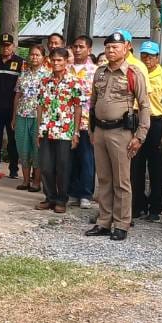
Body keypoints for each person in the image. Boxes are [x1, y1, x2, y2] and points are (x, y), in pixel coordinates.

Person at [85, 32, 150, 241]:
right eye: (108, 47)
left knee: (122, 180)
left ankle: (122, 223)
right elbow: (93, 103)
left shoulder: (133, 72)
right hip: (100, 130)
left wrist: (140, 135)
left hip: (121, 132)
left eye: (115, 47)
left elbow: (144, 105)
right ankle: (104, 221)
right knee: (104, 178)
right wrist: (91, 130)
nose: (111, 51)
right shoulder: (100, 72)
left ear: (126, 48)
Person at [34, 47, 85, 212]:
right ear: (49, 61)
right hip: (46, 129)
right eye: (54, 60)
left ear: (66, 61)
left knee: (63, 166)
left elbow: (78, 107)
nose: (56, 63)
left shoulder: (74, 82)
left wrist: (76, 132)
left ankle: (62, 200)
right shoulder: (44, 81)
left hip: (65, 131)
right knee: (46, 166)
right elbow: (40, 106)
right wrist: (38, 129)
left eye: (59, 60)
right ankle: (49, 197)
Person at [131, 41, 162, 221]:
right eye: (144, 56)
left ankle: (155, 207)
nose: (147, 59)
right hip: (138, 120)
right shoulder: (136, 73)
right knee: (136, 165)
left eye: (150, 56)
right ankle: (137, 205)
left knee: (156, 167)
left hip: (157, 122)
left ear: (157, 57)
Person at [0, 33, 24, 180]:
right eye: (2, 45)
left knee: (13, 140)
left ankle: (13, 169)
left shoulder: (20, 63)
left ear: (13, 46)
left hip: (13, 109)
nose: (5, 48)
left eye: (8, 45)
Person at [13, 44, 48, 192]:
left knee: (37, 150)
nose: (34, 57)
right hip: (22, 115)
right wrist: (14, 117)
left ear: (43, 58)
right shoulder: (23, 74)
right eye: (32, 54)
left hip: (38, 118)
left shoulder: (47, 75)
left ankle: (36, 182)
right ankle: (25, 181)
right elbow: (17, 95)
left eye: (37, 55)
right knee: (23, 148)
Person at [68, 35, 97, 211]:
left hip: (87, 121)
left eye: (81, 47)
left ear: (89, 50)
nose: (77, 50)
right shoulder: (66, 69)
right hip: (66, 122)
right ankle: (72, 192)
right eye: (75, 46)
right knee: (70, 159)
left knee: (86, 158)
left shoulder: (96, 71)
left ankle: (86, 194)